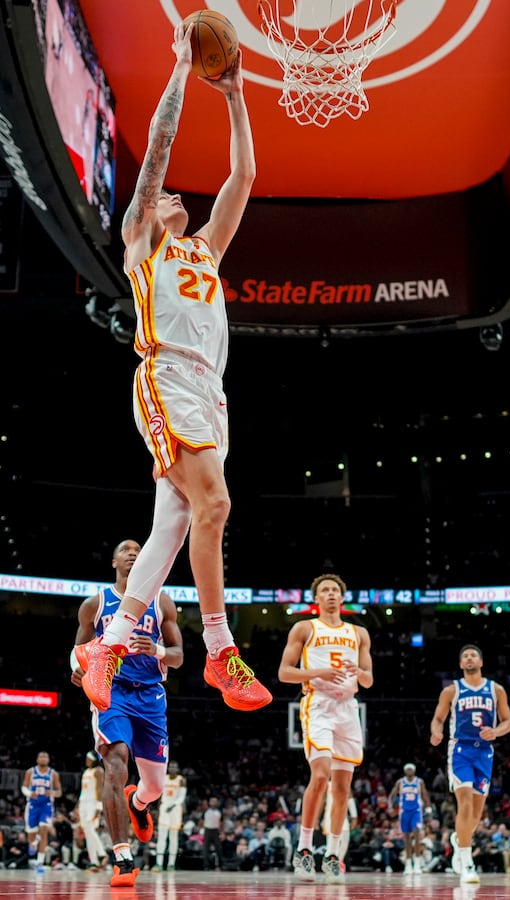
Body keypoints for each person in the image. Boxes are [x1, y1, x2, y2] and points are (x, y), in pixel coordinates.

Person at [73, 19, 271, 717]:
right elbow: (157, 147)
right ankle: (221, 651)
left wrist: (236, 95)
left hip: (209, 393)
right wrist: (183, 69)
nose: (173, 195)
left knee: (177, 524)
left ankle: (111, 640)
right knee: (215, 504)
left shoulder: (208, 249)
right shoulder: (143, 241)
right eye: (163, 196)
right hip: (165, 376)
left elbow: (244, 175)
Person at [71, 538, 184, 887]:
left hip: (150, 697)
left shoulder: (162, 601)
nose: (133, 553)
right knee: (115, 760)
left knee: (154, 787)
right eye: (125, 550)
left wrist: (160, 650)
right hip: (113, 692)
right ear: (114, 562)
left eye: (138, 550)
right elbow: (78, 650)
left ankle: (137, 803)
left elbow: (179, 656)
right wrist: (76, 669)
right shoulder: (96, 604)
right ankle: (122, 857)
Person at [278, 573, 373, 885]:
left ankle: (333, 855)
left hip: (348, 710)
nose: (331, 594)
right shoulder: (305, 628)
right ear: (316, 599)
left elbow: (369, 679)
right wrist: (320, 671)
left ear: (341, 598)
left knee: (343, 788)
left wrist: (360, 672)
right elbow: (284, 673)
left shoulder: (358, 633)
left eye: (335, 590)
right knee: (320, 776)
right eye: (325, 591)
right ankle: (305, 849)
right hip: (318, 705)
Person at [430, 643, 510, 885]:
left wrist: (496, 732)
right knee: (464, 802)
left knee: (476, 813)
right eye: (465, 656)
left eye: (473, 655)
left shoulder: (496, 690)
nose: (469, 658)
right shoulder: (452, 690)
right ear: (460, 664)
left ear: (481, 662)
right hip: (460, 750)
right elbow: (438, 718)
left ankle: (459, 839)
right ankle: (467, 863)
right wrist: (436, 732)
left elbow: (508, 721)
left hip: (484, 752)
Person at [21, 750, 62, 873]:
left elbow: (59, 792)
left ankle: (40, 862)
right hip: (33, 806)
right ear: (37, 759)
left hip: (46, 806)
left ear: (48, 760)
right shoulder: (30, 772)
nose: (43, 759)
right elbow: (24, 787)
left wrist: (53, 792)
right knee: (32, 834)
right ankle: (33, 843)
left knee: (44, 830)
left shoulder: (53, 774)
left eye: (46, 757)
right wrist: (29, 793)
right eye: (41, 757)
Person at [387, 762, 432, 873]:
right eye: (407, 769)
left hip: (416, 811)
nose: (409, 771)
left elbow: (425, 795)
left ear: (414, 770)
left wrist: (428, 809)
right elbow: (392, 796)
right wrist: (390, 807)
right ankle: (408, 865)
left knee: (416, 835)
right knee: (406, 838)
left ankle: (416, 864)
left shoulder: (419, 782)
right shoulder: (400, 782)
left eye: (411, 769)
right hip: (404, 812)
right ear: (404, 771)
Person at [152, 760, 186, 872]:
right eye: (170, 766)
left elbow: (181, 797)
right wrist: (158, 810)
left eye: (174, 766)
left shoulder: (181, 780)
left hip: (175, 810)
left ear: (177, 769)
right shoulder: (163, 778)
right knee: (162, 836)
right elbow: (159, 795)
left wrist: (173, 805)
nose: (172, 768)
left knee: (173, 837)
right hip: (164, 809)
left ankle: (171, 864)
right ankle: (159, 863)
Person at [77, 751, 106, 872]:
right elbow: (83, 791)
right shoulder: (86, 771)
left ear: (94, 759)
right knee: (88, 833)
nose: (86, 760)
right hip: (83, 803)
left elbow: (100, 789)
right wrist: (77, 807)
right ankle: (94, 862)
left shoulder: (98, 771)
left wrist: (99, 807)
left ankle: (102, 854)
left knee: (90, 829)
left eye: (88, 758)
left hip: (93, 803)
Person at [321, 780, 358, 873]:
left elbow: (350, 798)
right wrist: (317, 818)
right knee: (331, 842)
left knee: (345, 840)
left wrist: (354, 816)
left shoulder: (344, 782)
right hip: (329, 817)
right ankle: (331, 862)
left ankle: (340, 862)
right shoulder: (326, 784)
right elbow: (321, 801)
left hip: (342, 816)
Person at [202, 796, 224, 872]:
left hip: (216, 831)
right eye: (212, 801)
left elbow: (222, 823)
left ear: (217, 803)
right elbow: (201, 821)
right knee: (205, 849)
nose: (213, 803)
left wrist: (222, 832)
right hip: (207, 830)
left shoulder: (219, 811)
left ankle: (220, 865)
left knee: (218, 849)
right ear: (209, 802)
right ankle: (206, 866)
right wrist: (202, 830)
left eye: (215, 801)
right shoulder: (206, 811)